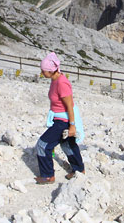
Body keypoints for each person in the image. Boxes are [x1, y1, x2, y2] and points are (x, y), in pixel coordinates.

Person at [35, 52, 85, 184]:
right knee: (67, 144)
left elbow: (69, 105)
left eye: (43, 71)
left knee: (42, 145)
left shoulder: (62, 83)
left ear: (51, 71)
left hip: (63, 120)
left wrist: (72, 125)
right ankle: (79, 170)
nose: (42, 73)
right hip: (59, 118)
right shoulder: (54, 80)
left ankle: (47, 175)